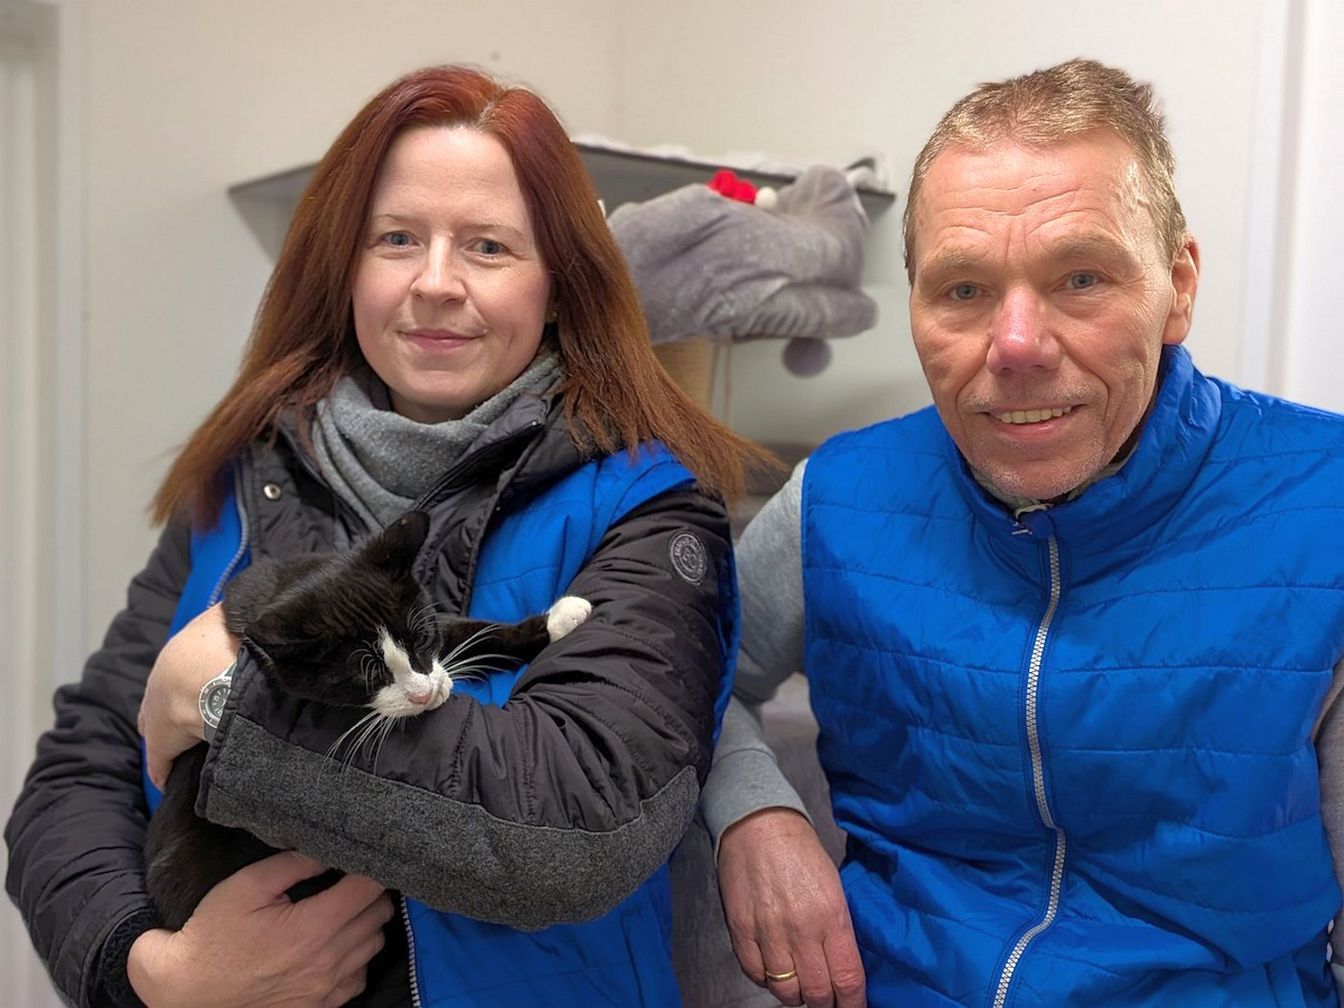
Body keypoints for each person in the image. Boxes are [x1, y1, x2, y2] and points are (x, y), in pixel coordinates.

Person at [6, 64, 769, 1007]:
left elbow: (579, 827)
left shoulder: (648, 505)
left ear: (558, 284)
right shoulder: (243, 475)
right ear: (346, 266)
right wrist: (151, 973)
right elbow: (79, 771)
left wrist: (226, 698)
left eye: (488, 246)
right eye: (398, 238)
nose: (436, 283)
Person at [704, 57, 1344, 1007]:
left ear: (1177, 286)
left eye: (1080, 277)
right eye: (963, 290)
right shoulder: (839, 498)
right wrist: (754, 815)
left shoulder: (1323, 509)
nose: (1015, 345)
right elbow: (689, 674)